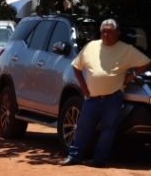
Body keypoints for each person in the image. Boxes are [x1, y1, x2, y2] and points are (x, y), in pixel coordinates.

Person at [62, 19, 151, 166]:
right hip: (91, 97)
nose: (106, 34)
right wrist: (83, 87)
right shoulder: (91, 46)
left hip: (113, 98)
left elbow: (147, 62)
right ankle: (74, 156)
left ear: (117, 33)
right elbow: (76, 66)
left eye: (110, 32)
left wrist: (132, 74)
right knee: (83, 127)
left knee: (108, 129)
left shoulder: (126, 50)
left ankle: (99, 160)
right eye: (103, 31)